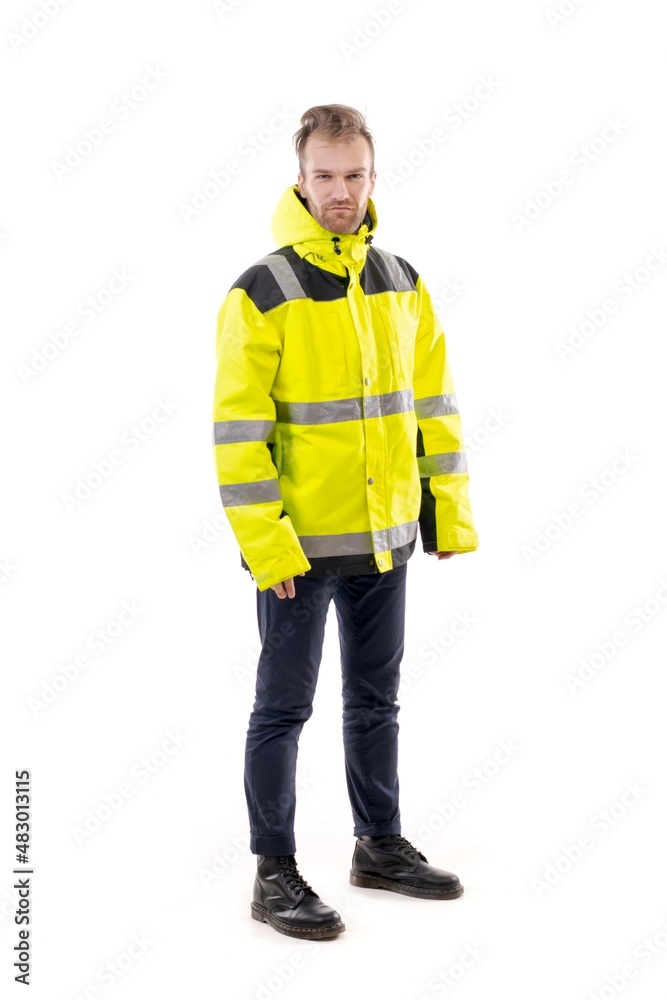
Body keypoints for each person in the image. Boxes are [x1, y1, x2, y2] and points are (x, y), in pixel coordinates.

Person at [211, 104, 479, 939]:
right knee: (281, 709)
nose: (338, 191)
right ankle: (273, 872)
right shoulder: (263, 290)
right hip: (297, 549)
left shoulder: (401, 280)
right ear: (299, 179)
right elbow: (237, 435)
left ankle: (378, 845)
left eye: (352, 174)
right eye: (323, 176)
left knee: (376, 700)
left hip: (385, 538)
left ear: (372, 176)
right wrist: (266, 545)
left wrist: (443, 510)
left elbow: (431, 403)